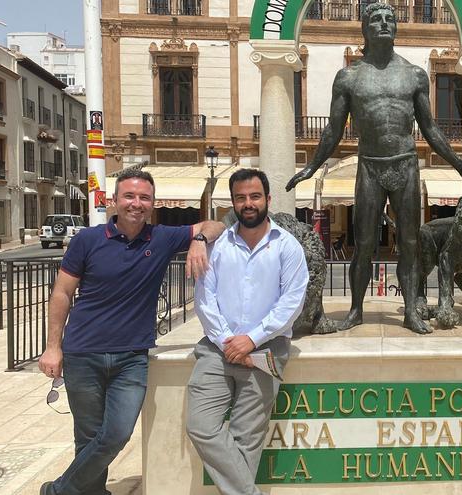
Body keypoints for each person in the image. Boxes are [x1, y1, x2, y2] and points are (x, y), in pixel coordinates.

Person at [284, 2, 462, 334]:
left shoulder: (414, 74)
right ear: (365, 29)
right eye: (376, 19)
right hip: (370, 166)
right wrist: (312, 167)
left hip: (406, 164)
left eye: (390, 19)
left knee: (411, 243)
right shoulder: (349, 76)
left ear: (396, 29)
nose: (384, 23)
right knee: (364, 244)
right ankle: (355, 310)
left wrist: (459, 164)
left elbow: (429, 129)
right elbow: (333, 129)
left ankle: (411, 312)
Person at [37, 168, 225, 495]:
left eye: (144, 198)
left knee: (117, 433)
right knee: (88, 436)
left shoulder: (163, 237)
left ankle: (59, 491)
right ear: (114, 200)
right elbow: (62, 293)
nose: (136, 203)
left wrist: (198, 240)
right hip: (83, 354)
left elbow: (217, 224)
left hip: (132, 358)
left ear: (152, 203)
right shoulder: (87, 240)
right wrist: (53, 346)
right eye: (129, 196)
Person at [186, 168, 309, 495]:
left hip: (266, 350)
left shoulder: (288, 247)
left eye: (254, 196)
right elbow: (204, 297)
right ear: (234, 203)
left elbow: (292, 303)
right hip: (217, 349)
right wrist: (228, 339)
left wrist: (251, 339)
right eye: (240, 198)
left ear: (267, 199)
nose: (248, 203)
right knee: (200, 426)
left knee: (247, 439)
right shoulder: (217, 246)